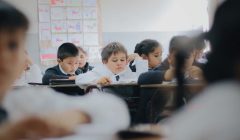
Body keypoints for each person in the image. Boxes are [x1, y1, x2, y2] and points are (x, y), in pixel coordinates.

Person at [0, 1, 130, 139]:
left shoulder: (26, 102)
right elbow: (47, 79)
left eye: (12, 46)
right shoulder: (52, 72)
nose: (4, 57)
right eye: (70, 63)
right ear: (59, 61)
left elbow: (114, 108)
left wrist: (79, 115)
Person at [160, 0, 240, 140]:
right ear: (170, 55)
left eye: (190, 55)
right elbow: (147, 77)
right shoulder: (165, 66)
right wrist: (169, 73)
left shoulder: (201, 68)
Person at [76, 42, 148, 85]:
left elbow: (144, 79)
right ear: (105, 62)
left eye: (122, 60)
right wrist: (97, 80)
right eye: (114, 60)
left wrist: (138, 58)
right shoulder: (99, 71)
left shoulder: (126, 71)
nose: (119, 63)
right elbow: (79, 79)